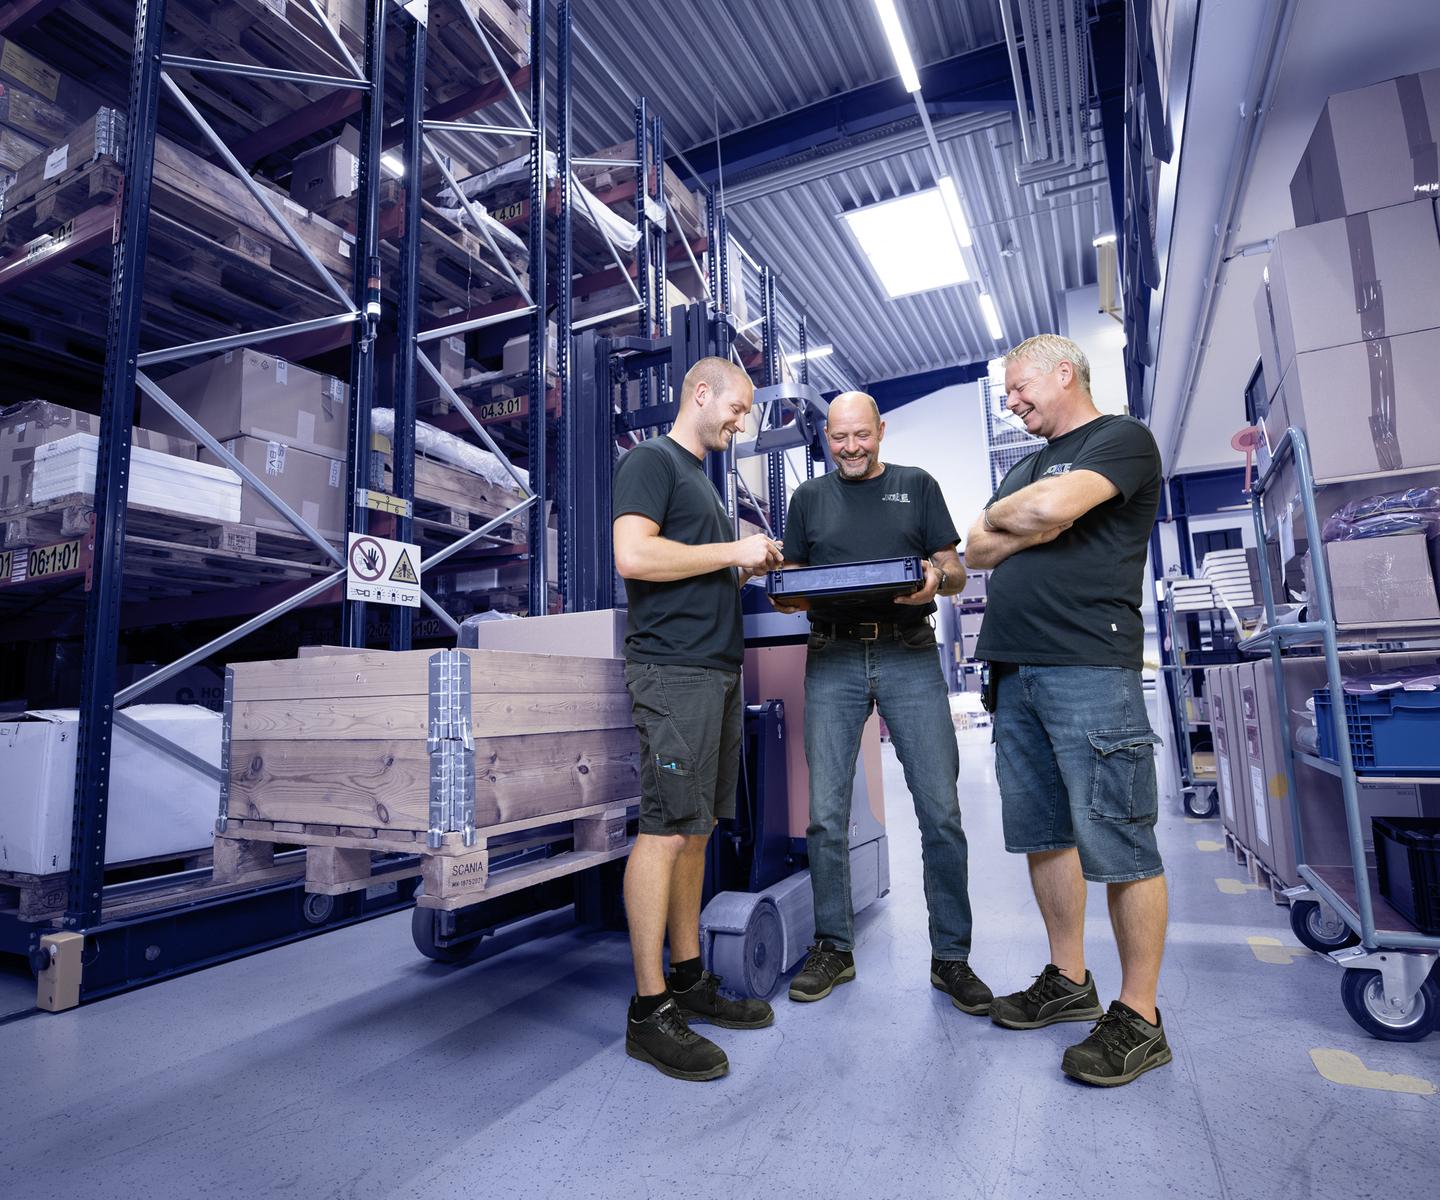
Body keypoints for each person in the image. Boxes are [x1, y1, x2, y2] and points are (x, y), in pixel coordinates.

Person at [965, 334, 1168, 1088]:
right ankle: (1068, 979)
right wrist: (1025, 517)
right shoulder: (1023, 464)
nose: (1011, 402)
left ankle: (1140, 1016)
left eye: (1019, 388)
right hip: (1014, 673)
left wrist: (1031, 515)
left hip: (1088, 665)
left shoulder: (1122, 439)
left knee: (1119, 838)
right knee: (1046, 836)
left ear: (1063, 372)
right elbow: (978, 548)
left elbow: (1043, 510)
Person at [772, 391, 991, 1015]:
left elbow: (954, 571)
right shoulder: (808, 499)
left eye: (861, 436)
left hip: (909, 652)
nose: (849, 448)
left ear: (881, 431)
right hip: (833, 658)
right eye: (838, 439)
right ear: (827, 438)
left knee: (941, 811)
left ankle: (952, 958)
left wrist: (933, 579)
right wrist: (778, 591)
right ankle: (833, 947)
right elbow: (793, 586)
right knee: (826, 814)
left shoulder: (917, 485)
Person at [612, 355, 784, 1082]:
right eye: (739, 408)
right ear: (702, 393)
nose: (741, 422)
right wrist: (731, 548)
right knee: (663, 831)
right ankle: (649, 1011)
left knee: (698, 832)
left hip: (713, 671)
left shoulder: (706, 487)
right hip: (672, 670)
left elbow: (688, 561)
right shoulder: (652, 461)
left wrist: (738, 567)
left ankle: (687, 978)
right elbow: (633, 554)